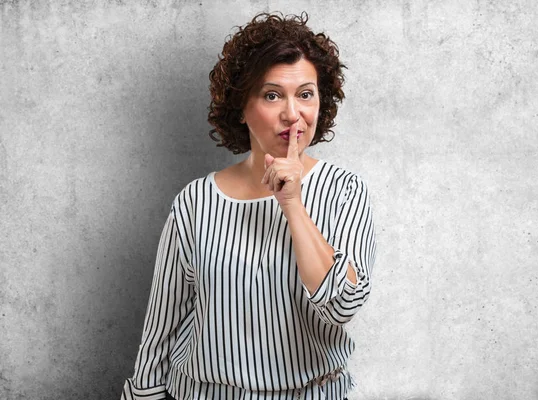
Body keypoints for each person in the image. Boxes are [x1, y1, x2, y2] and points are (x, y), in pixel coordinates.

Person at [121, 11, 377, 400]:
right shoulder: (195, 202)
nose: (293, 114)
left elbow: (342, 306)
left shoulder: (345, 192)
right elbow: (162, 326)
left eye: (305, 94)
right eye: (272, 95)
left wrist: (292, 204)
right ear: (241, 106)